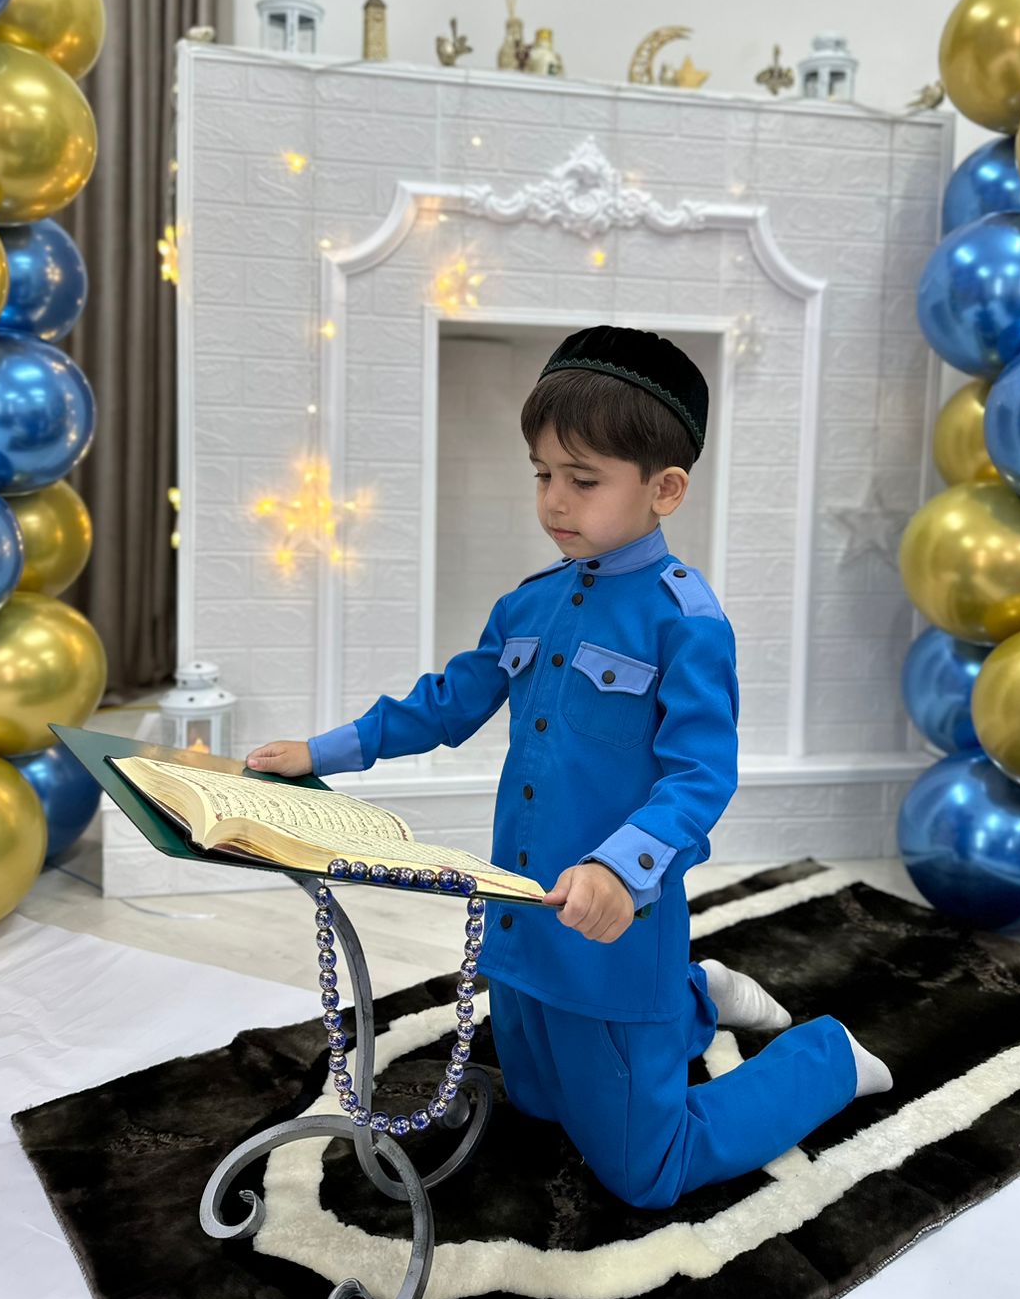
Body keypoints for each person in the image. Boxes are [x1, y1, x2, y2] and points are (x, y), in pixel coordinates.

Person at [246, 323, 892, 1209]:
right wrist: (321, 752)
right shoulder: (529, 603)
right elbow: (446, 703)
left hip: (613, 935)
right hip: (519, 924)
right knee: (540, 1101)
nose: (554, 500)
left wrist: (621, 869)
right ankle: (697, 997)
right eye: (542, 474)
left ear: (665, 489)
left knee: (646, 1171)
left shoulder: (686, 621)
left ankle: (826, 1058)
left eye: (583, 480)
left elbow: (700, 778)